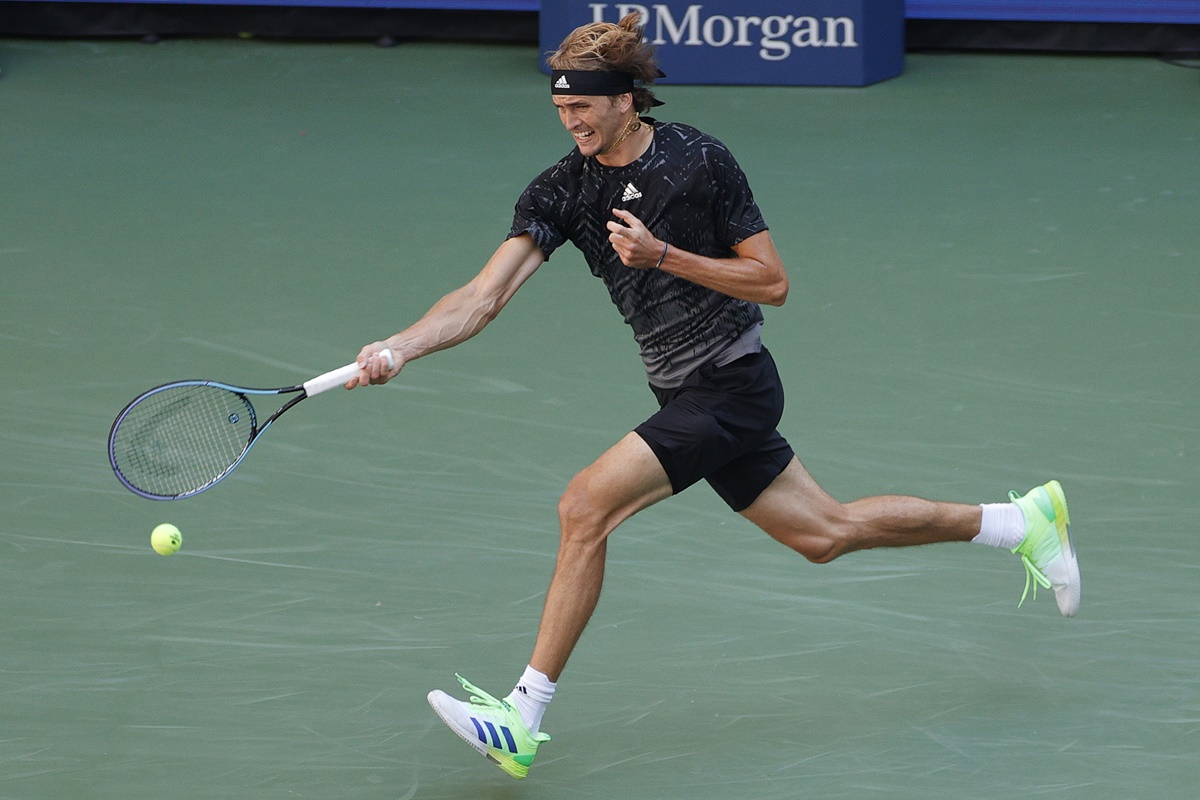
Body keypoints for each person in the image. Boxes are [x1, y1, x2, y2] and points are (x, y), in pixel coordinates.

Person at [345, 13, 1080, 780]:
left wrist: (663, 255)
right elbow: (481, 297)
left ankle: (521, 716)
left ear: (626, 99)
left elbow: (774, 282)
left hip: (732, 383)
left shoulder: (699, 161)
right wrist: (401, 346)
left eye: (583, 107)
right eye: (560, 110)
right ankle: (1020, 523)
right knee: (824, 534)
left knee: (584, 506)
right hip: (682, 391)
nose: (571, 122)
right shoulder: (562, 188)